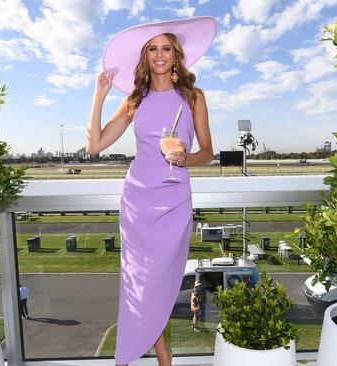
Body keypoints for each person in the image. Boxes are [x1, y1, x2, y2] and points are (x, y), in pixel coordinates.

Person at [86, 17, 217, 366]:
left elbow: (208, 152)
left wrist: (185, 158)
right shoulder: (134, 100)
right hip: (137, 204)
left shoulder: (193, 98)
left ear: (176, 56)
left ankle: (161, 355)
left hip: (173, 203)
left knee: (159, 283)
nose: (160, 55)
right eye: (153, 49)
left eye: (166, 48)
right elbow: (95, 145)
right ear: (145, 57)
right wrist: (99, 95)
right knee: (137, 286)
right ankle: (160, 357)